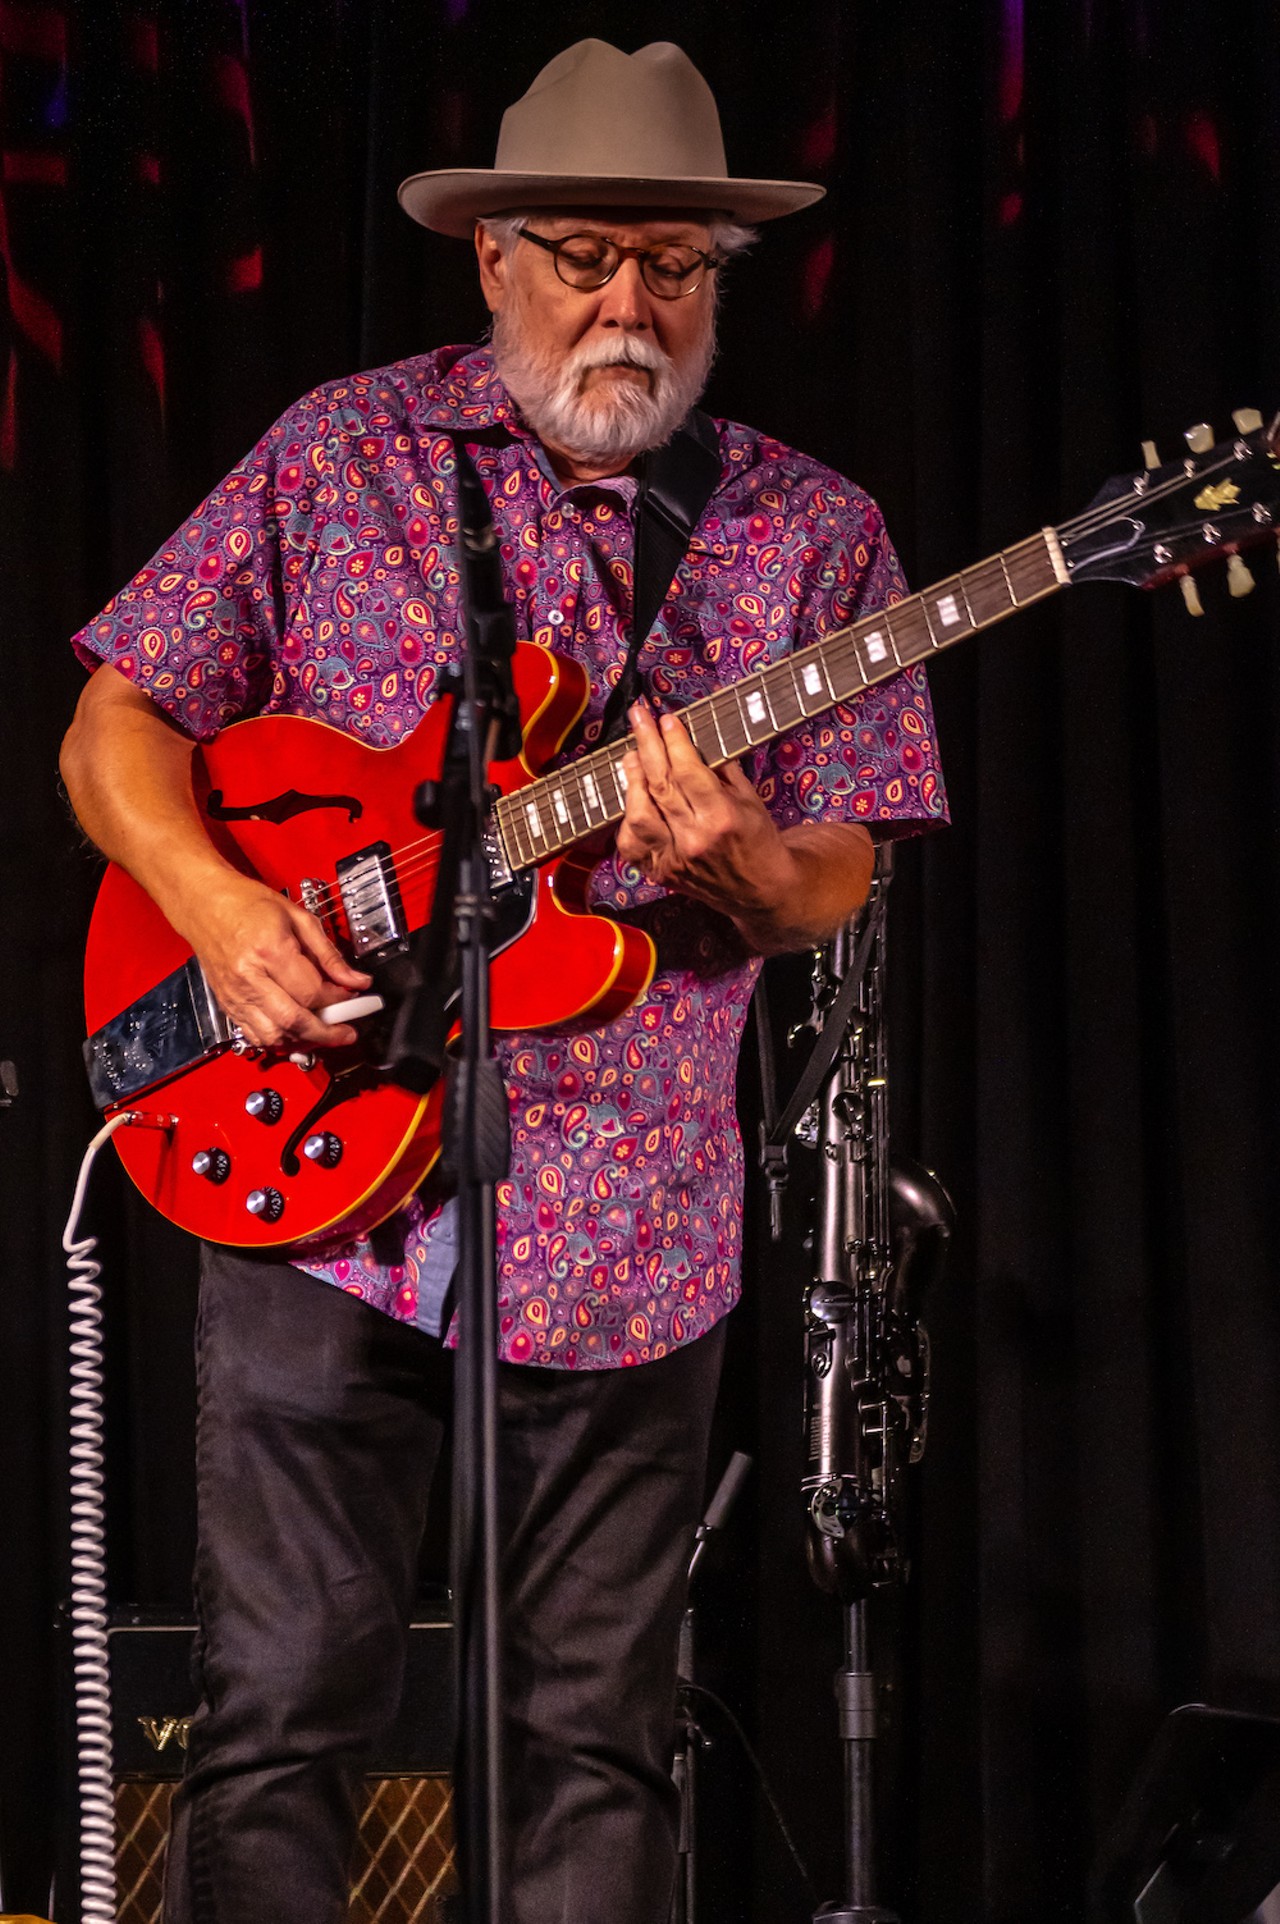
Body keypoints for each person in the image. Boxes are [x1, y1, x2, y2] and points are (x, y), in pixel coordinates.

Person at [60, 37, 947, 1924]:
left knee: (594, 1741)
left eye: (675, 267)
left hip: (634, 1224)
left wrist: (745, 867)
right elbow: (110, 725)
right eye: (584, 256)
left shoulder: (815, 530)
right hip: (324, 1188)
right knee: (280, 1717)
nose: (629, 303)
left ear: (721, 275)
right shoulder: (342, 450)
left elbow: (843, 863)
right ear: (492, 257)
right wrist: (218, 909)